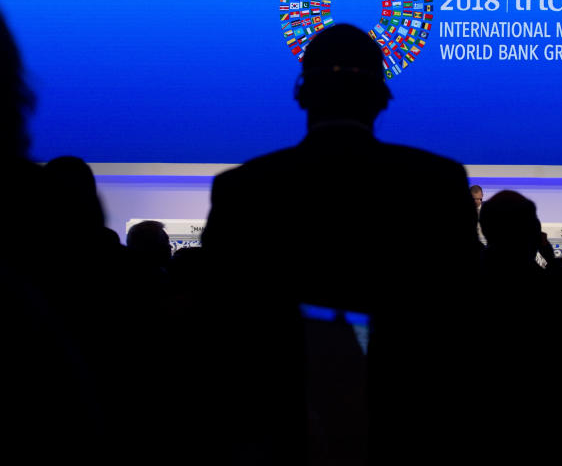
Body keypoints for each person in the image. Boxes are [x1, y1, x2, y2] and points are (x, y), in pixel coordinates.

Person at [201, 24, 480, 463]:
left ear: (303, 94)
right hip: (412, 437)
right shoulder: (437, 184)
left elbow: (218, 331)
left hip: (275, 438)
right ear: (381, 98)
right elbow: (465, 323)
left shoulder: (244, 189)